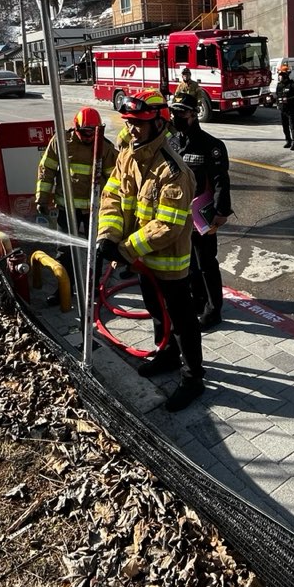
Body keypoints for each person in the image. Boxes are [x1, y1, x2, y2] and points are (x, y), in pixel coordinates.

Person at [96, 89, 205, 411]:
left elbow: (168, 225)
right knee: (156, 310)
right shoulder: (128, 155)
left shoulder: (173, 171)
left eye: (139, 123)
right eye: (128, 122)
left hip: (169, 263)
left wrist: (125, 249)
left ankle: (193, 378)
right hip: (140, 258)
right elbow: (112, 196)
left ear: (159, 124)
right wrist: (108, 235)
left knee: (182, 320)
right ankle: (167, 355)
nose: (131, 129)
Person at [169, 92, 233, 330]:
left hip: (202, 216)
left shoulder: (211, 145)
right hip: (179, 215)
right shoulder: (172, 143)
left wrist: (220, 212)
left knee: (206, 263)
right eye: (174, 112)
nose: (177, 116)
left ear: (194, 114)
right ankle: (197, 300)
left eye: (182, 112)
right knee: (189, 263)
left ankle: (213, 309)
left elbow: (220, 181)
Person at [35, 107, 118, 280]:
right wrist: (41, 198)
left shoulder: (105, 147)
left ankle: (93, 286)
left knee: (95, 250)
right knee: (64, 250)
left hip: (94, 210)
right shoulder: (61, 142)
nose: (89, 137)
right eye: (85, 132)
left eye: (93, 132)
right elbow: (47, 170)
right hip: (67, 208)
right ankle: (65, 286)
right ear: (76, 127)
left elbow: (115, 181)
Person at [274, 64, 294, 150]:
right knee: (285, 126)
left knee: (292, 126)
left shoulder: (292, 84)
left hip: (290, 108)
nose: (279, 77)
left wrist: (288, 99)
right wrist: (278, 104)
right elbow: (277, 96)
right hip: (283, 109)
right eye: (279, 75)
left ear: (285, 75)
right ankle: (288, 140)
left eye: (281, 75)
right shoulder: (279, 85)